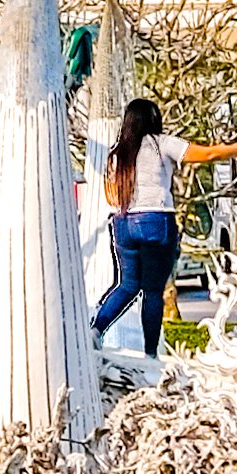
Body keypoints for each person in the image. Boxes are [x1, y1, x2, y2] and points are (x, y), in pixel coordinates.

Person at [87, 91, 185, 360]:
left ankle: (96, 329)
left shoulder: (117, 153)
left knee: (127, 285)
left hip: (124, 223)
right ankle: (150, 353)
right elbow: (206, 154)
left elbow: (111, 195)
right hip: (156, 220)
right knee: (153, 290)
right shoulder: (161, 143)